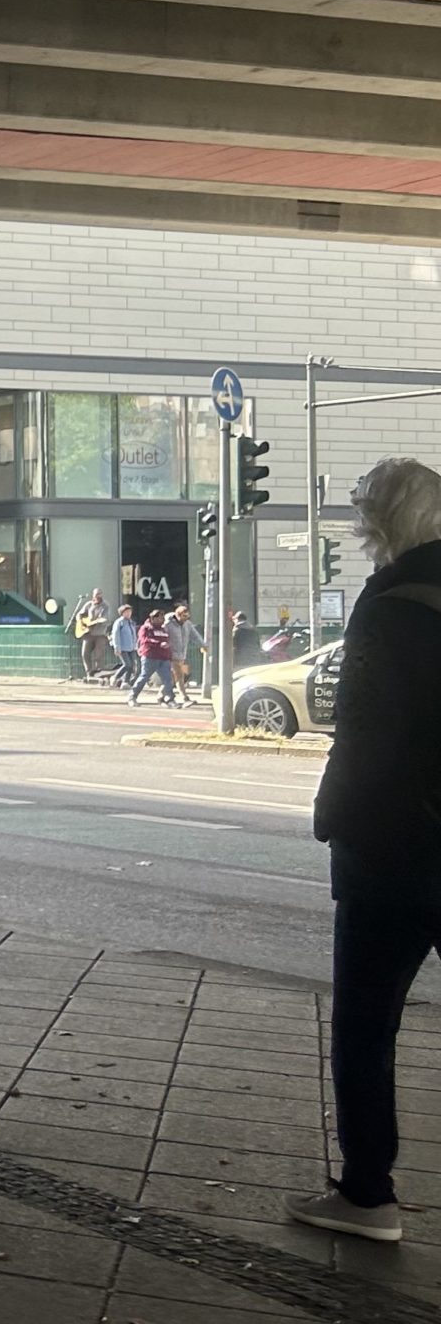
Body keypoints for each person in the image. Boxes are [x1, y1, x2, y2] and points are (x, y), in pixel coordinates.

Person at [294, 458, 441, 1243]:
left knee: (365, 1025)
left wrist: (332, 816)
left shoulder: (389, 608)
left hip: (394, 853)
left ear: (379, 524)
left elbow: (366, 738)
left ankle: (368, 1195)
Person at [129, 606, 177, 707]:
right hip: (150, 657)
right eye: (159, 618)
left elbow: (167, 641)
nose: (161, 620)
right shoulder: (146, 628)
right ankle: (132, 697)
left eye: (162, 618)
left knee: (168, 679)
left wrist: (169, 655)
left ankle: (170, 699)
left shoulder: (164, 629)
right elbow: (145, 640)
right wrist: (159, 643)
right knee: (144, 677)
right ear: (152, 618)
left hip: (163, 658)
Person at [74, 588, 110, 680]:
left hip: (100, 634)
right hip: (88, 633)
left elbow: (105, 619)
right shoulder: (88, 604)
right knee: (85, 653)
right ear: (93, 595)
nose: (98, 596)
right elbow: (79, 614)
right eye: (96, 594)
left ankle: (98, 674)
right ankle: (89, 673)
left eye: (99, 594)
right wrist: (81, 622)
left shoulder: (105, 606)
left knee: (99, 655)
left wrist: (98, 622)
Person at [109, 605, 141, 692]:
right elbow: (116, 635)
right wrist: (117, 647)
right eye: (126, 612)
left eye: (130, 612)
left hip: (131, 647)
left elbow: (134, 635)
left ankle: (125, 682)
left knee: (132, 666)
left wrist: (136, 646)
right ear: (122, 613)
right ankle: (115, 677)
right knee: (127, 664)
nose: (128, 613)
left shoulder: (131, 622)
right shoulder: (119, 622)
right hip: (122, 647)